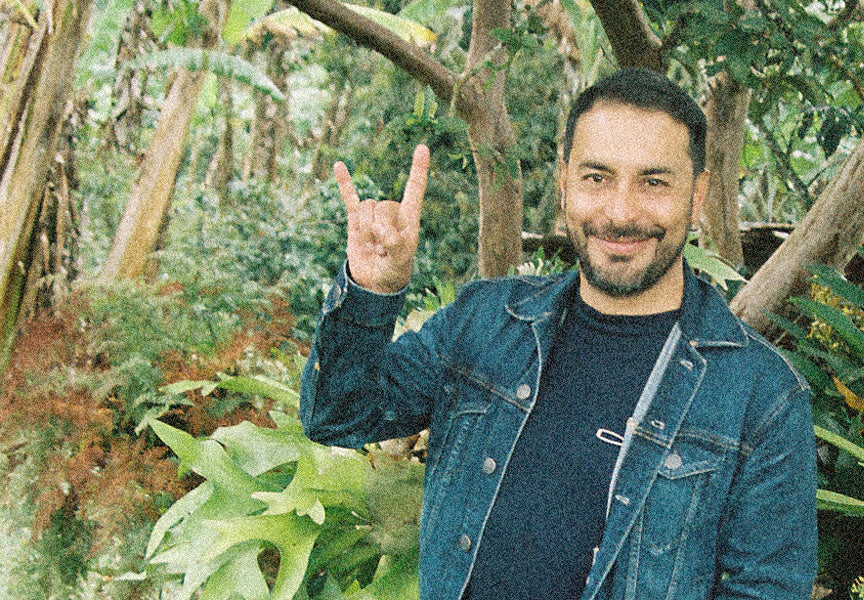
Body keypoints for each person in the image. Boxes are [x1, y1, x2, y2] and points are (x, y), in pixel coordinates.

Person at [301, 68, 817, 600]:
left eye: (654, 182)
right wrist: (371, 291)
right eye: (597, 178)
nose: (621, 213)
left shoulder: (762, 396)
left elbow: (767, 589)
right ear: (564, 182)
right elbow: (338, 415)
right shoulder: (486, 322)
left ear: (698, 193)